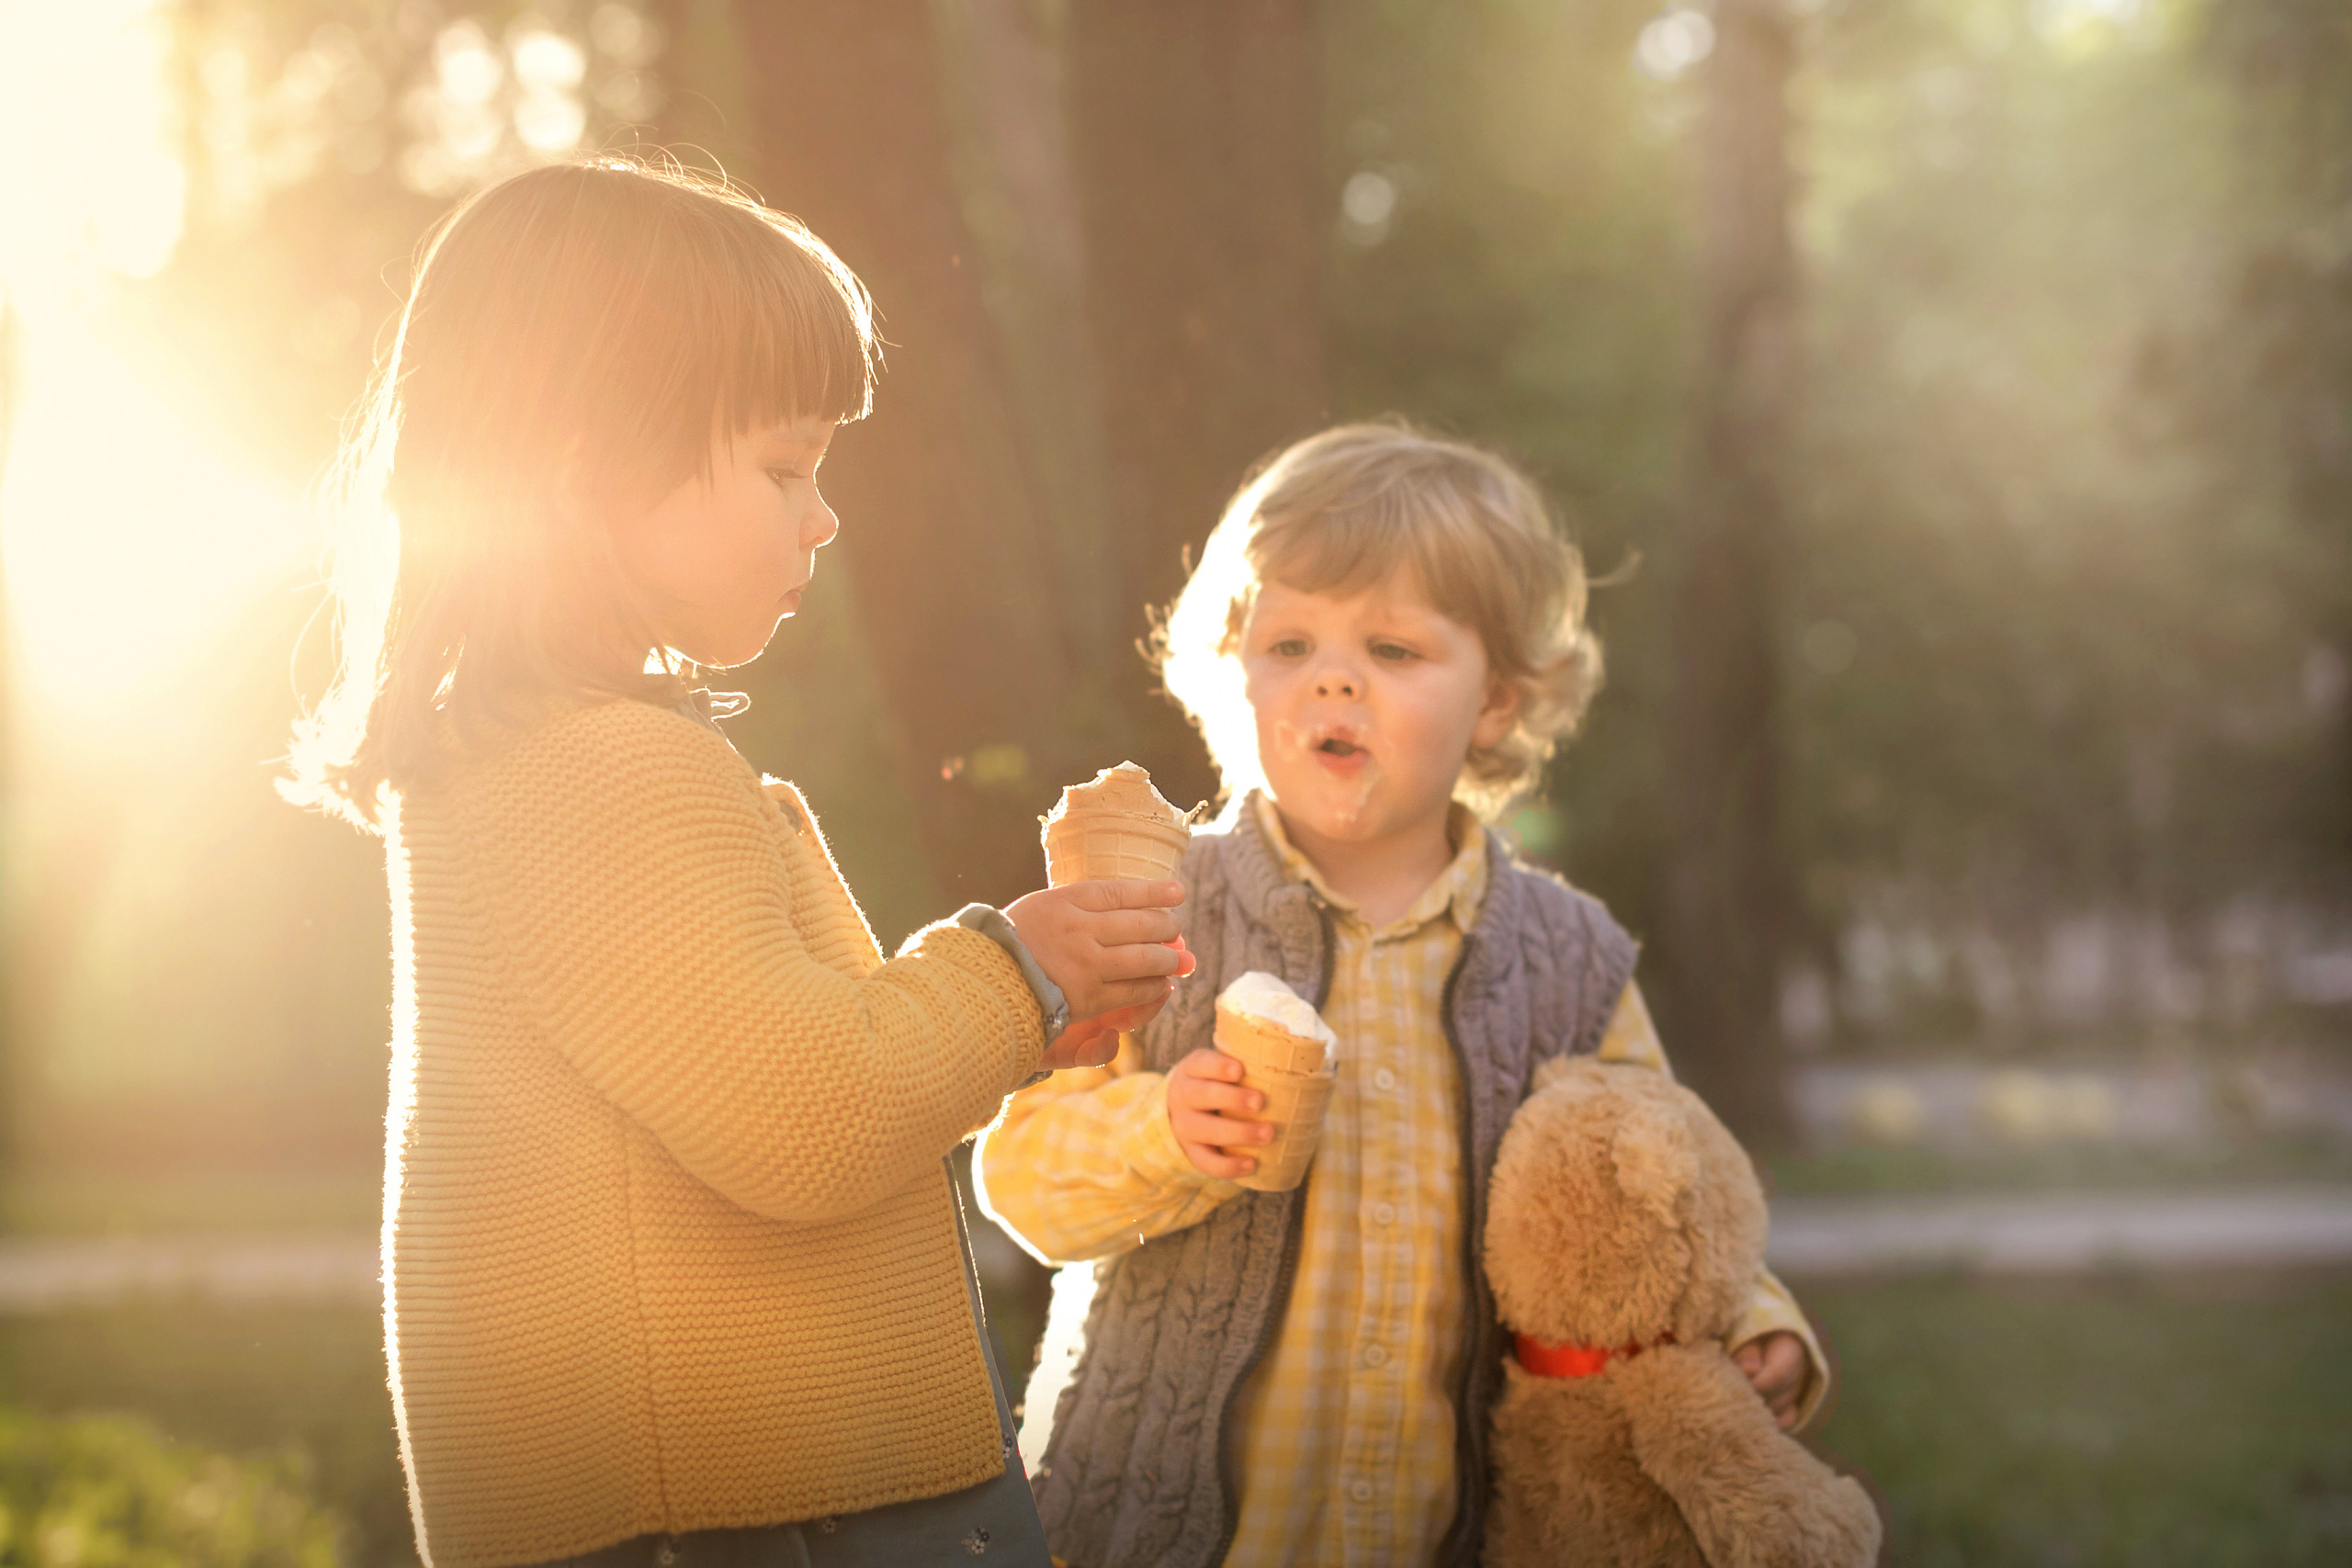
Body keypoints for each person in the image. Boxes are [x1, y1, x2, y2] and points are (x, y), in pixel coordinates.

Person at [284, 156, 1189, 1568]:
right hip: (755, 1506)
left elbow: (761, 1065)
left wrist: (1016, 1020)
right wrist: (1015, 965)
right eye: (785, 466)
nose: (823, 516)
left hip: (716, 1494)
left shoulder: (519, 763)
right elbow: (811, 1113)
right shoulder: (601, 772)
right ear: (586, 464)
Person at [977, 423, 1829, 1568]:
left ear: (1495, 704)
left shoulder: (1565, 961)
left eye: (1391, 647)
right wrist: (1162, 1129)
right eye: (1289, 641)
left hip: (1450, 1527)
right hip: (1151, 1530)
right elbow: (1019, 1175)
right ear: (1230, 668)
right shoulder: (1153, 906)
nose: (1333, 677)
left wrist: (1754, 1319)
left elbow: (1666, 1198)